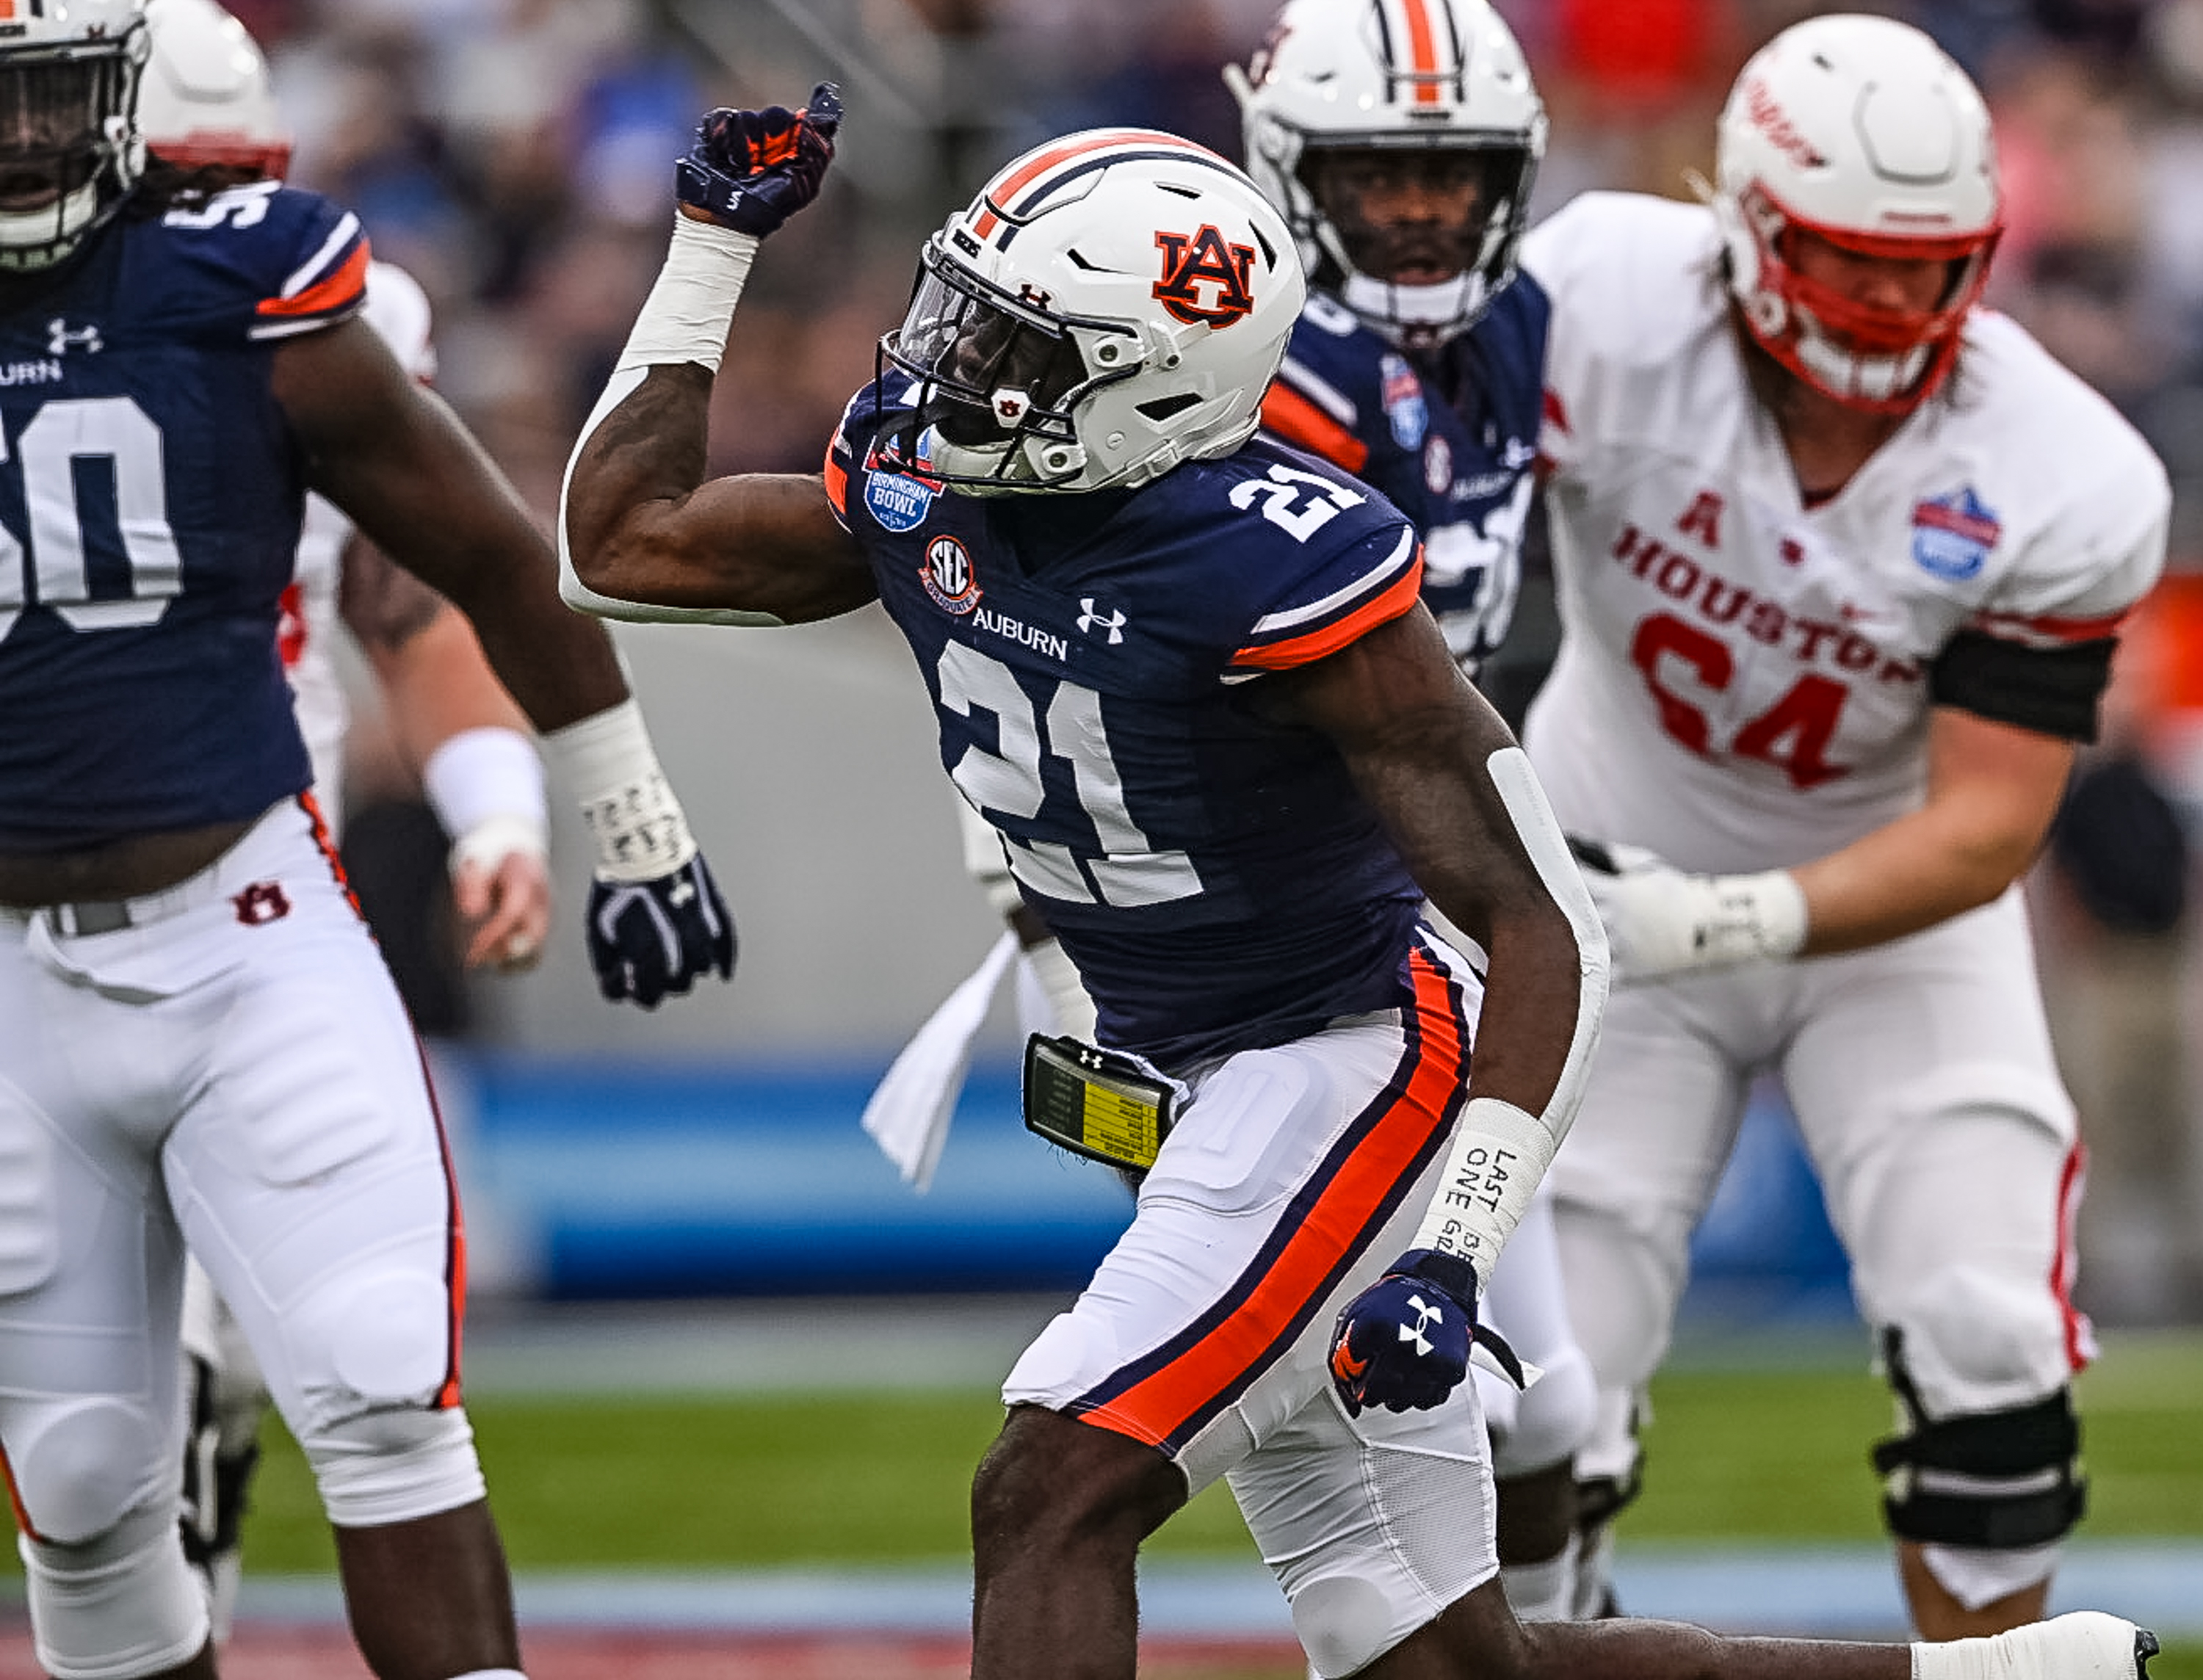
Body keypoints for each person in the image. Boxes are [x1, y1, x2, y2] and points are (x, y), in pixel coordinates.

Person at [558, 84, 2155, 1680]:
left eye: (1009, 348)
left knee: (1053, 1481)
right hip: (1188, 1074)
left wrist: (1455, 1247)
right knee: (1444, 1664)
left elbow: (1546, 929)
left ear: (1143, 386)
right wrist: (710, 246)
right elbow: (619, 540)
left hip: (1339, 1065)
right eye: (962, 320)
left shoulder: (1283, 569)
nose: (944, 371)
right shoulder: (932, 480)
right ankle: (2007, 1675)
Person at [0, 1, 734, 1677]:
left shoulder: (248, 293)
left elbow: (464, 559)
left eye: (53, 103)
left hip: (243, 917)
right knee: (88, 1478)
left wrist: (609, 805)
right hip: (10, 981)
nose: (26, 145)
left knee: (382, 1373)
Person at [1504, 12, 2172, 1636]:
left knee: (1988, 1337)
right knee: (1535, 1385)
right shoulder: (1595, 295)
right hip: (1597, 868)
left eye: (1925, 261)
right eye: (1847, 258)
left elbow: (1990, 821)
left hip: (1895, 920)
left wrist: (1731, 917)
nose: (1888, 300)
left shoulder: (2065, 470)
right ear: (1744, 218)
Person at [132, 0, 557, 1644]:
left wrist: (496, 805)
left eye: (239, 180)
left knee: (358, 1364)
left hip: (259, 907)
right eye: (181, 183)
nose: (212, 220)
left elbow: (414, 601)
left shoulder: (317, 325)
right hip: (44, 915)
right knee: (102, 1426)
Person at [1223, 0, 1596, 1622]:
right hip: (1267, 935)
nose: (1427, 210)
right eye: (1381, 176)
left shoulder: (1516, 329)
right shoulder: (1238, 368)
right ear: (1295, 168)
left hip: (1439, 898)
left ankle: (1576, 1638)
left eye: (1454, 176)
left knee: (1558, 1407)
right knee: (1420, 1399)